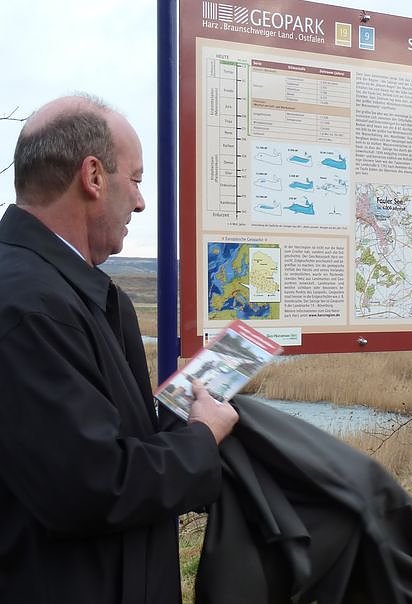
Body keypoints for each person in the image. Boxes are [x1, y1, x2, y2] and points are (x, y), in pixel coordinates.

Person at [0, 94, 239, 604]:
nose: (141, 202)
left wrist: (181, 409)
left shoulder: (73, 291)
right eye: (135, 179)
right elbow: (91, 486)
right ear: (93, 176)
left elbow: (103, 437)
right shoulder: (27, 305)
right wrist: (201, 439)